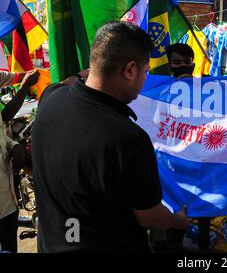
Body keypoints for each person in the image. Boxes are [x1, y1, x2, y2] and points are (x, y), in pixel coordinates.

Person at [32, 21, 190, 253]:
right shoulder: (129, 139)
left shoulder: (50, 99)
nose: (146, 79)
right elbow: (151, 217)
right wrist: (179, 220)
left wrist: (92, 71)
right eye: (145, 71)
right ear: (129, 71)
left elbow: (69, 82)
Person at [157, 43, 212, 252]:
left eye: (186, 62)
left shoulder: (208, 88)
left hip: (202, 158)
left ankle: (204, 244)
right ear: (170, 66)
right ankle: (174, 243)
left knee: (203, 204)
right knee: (176, 203)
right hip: (175, 160)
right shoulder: (162, 91)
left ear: (193, 62)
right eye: (177, 62)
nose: (182, 66)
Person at [0, 70, 40, 253]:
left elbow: (2, 123)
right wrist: (24, 86)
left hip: (7, 200)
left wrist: (12, 145)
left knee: (9, 240)